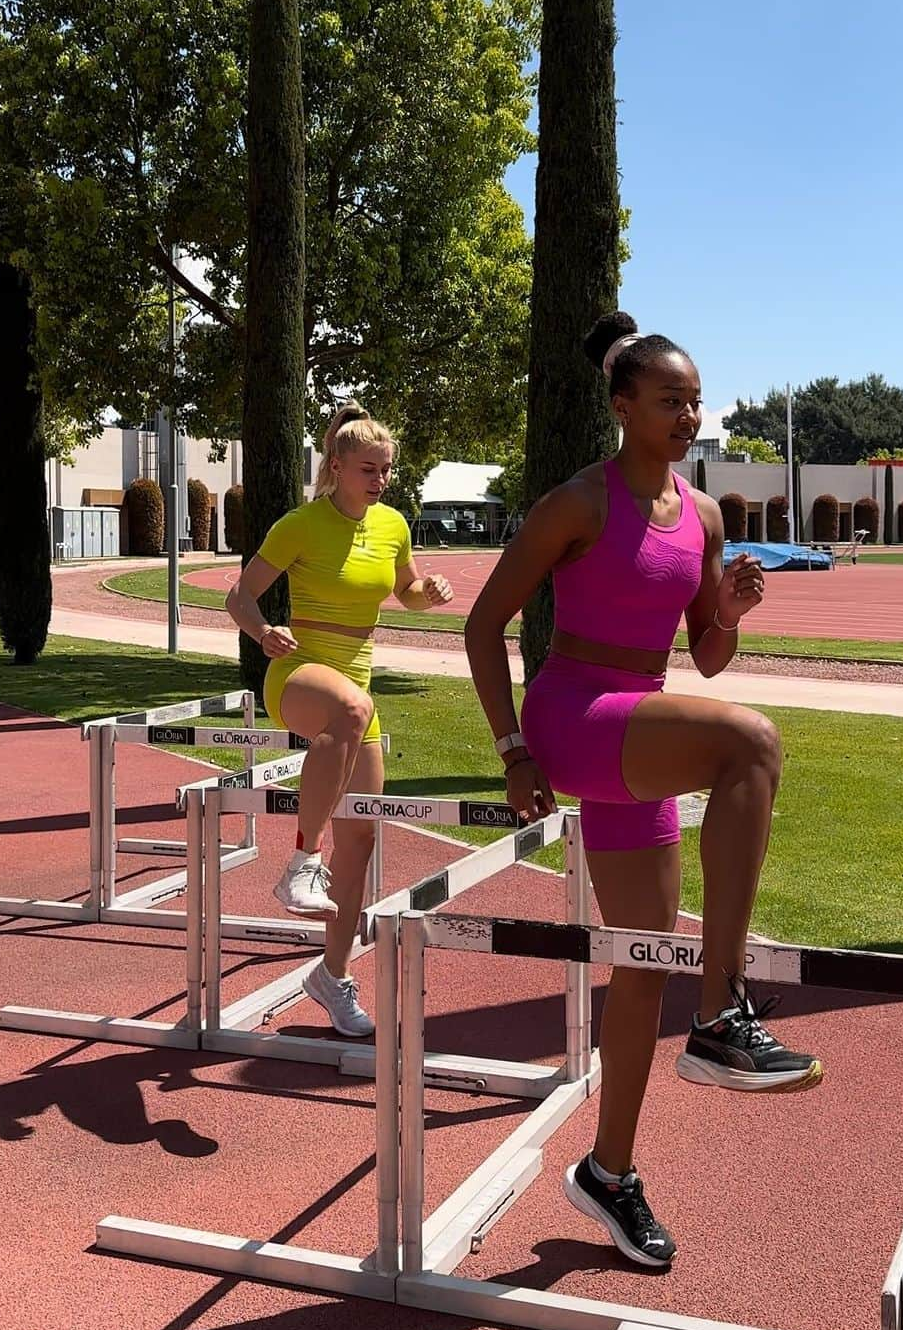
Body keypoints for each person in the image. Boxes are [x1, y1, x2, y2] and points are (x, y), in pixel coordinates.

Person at [465, 313, 822, 1270]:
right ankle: (722, 1011)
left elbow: (705, 657)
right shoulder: (577, 504)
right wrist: (510, 750)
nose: (690, 415)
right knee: (753, 743)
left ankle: (608, 1173)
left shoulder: (702, 515)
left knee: (641, 963)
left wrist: (733, 612)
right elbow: (484, 624)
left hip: (647, 726)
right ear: (624, 406)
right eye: (670, 401)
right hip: (575, 718)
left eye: (696, 400)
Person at [225, 404, 453, 1036]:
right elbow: (238, 597)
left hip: (358, 680)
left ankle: (331, 975)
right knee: (351, 709)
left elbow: (404, 591)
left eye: (386, 470)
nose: (380, 480)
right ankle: (300, 861)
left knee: (362, 837)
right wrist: (262, 629)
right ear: (336, 468)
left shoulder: (393, 526)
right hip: (297, 672)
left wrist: (425, 594)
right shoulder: (301, 524)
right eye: (368, 469)